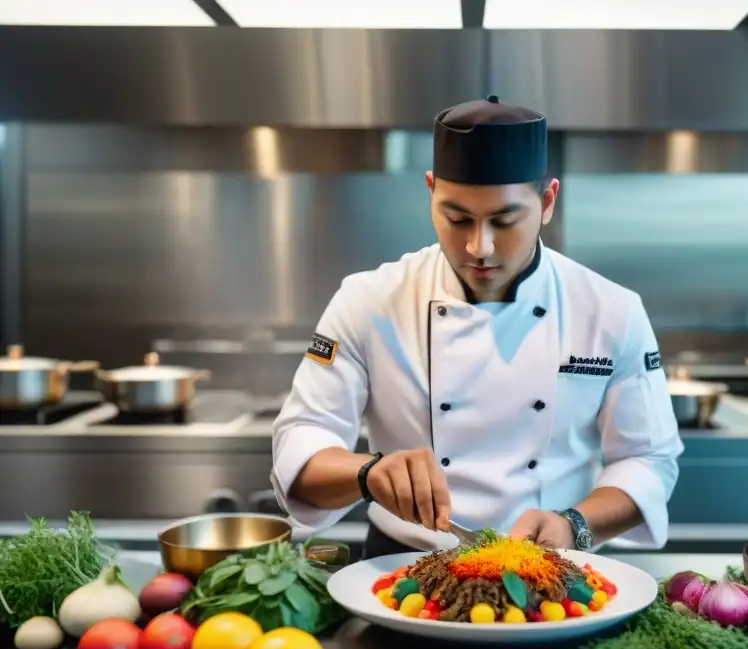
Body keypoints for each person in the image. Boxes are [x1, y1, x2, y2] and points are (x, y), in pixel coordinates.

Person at [271, 95, 683, 559]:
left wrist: (575, 526)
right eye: (456, 218)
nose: (479, 247)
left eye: (504, 221)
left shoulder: (611, 310)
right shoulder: (368, 301)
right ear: (430, 191)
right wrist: (367, 473)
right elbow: (302, 441)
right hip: (401, 568)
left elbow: (648, 460)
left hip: (555, 575)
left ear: (547, 201)